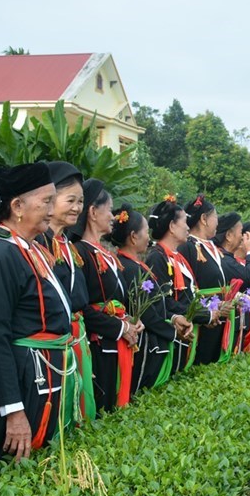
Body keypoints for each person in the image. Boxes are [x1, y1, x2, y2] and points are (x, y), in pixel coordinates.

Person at [0, 163, 74, 464]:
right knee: (12, 468)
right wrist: (13, 410)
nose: (51, 209)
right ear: (17, 206)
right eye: (46, 201)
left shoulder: (29, 247)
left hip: (42, 375)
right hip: (22, 380)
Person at [71, 179, 142, 411]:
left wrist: (131, 321)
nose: (113, 216)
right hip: (99, 344)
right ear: (92, 212)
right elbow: (82, 307)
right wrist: (120, 328)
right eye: (109, 209)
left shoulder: (107, 254)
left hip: (116, 339)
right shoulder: (80, 252)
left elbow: (118, 299)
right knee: (104, 408)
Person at [109, 202, 182, 392]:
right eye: (146, 231)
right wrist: (171, 332)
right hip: (146, 342)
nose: (149, 236)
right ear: (134, 237)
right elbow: (146, 312)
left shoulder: (135, 264)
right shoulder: (129, 268)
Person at [43, 161, 95, 424]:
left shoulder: (67, 243)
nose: (77, 207)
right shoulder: (40, 244)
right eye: (70, 200)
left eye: (81, 201)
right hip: (55, 339)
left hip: (77, 333)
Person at [146, 196, 199, 375]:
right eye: (184, 221)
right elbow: (162, 301)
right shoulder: (157, 257)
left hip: (186, 330)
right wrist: (199, 313)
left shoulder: (179, 257)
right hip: (172, 332)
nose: (188, 227)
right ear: (171, 226)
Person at [178, 194, 232, 365]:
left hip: (220, 316)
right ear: (204, 219)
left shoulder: (213, 247)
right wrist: (209, 308)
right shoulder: (187, 246)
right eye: (215, 217)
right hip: (203, 319)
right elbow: (187, 286)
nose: (217, 222)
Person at [216, 212, 250, 355]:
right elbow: (248, 278)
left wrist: (249, 300)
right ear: (229, 235)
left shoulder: (225, 257)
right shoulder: (223, 258)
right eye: (240, 232)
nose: (243, 237)